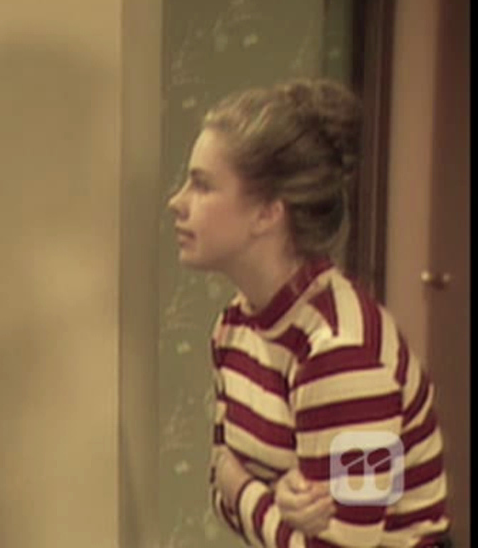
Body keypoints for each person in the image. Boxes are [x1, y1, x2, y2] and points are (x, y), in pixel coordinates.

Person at [167, 79, 451, 547]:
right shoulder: (235, 324)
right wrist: (270, 497)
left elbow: (237, 484)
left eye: (202, 185)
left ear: (267, 213)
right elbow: (219, 477)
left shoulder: (344, 352)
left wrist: (244, 488)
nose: (177, 202)